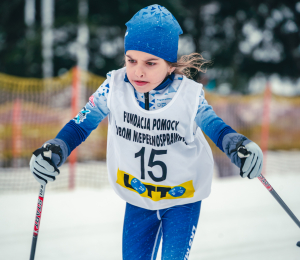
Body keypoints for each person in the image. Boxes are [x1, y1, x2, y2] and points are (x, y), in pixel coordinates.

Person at [29, 4, 263, 260]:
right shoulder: (114, 88)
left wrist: (237, 144)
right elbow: (81, 124)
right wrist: (56, 148)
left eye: (151, 63)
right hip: (139, 198)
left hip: (181, 198)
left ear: (170, 65)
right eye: (131, 60)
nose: (138, 71)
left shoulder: (188, 95)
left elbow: (215, 127)